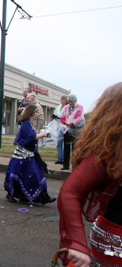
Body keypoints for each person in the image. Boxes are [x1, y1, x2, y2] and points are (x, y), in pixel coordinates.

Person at [57, 83, 122, 267]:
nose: (70, 102)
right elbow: (70, 192)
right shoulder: (109, 151)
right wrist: (76, 243)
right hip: (115, 243)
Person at [4, 105, 56, 204]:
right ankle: (12, 194)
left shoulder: (29, 124)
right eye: (36, 113)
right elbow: (31, 137)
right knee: (20, 175)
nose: (38, 114)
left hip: (29, 154)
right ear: (32, 113)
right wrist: (42, 134)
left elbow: (31, 135)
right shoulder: (26, 124)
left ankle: (43, 198)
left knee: (34, 174)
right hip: (23, 155)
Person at [60, 94, 84, 170]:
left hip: (76, 130)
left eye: (72, 102)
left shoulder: (80, 107)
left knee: (75, 148)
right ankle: (65, 165)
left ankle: (75, 165)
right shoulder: (65, 108)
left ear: (75, 101)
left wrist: (72, 122)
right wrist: (65, 123)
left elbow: (79, 118)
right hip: (67, 129)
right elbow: (62, 117)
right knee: (66, 148)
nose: (70, 103)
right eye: (69, 101)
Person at [52, 96, 67, 164]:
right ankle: (59, 158)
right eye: (61, 99)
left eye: (63, 99)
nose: (61, 100)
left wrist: (58, 117)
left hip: (65, 127)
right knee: (59, 143)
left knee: (65, 144)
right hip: (59, 127)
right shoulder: (59, 107)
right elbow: (56, 114)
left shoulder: (67, 108)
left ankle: (64, 158)